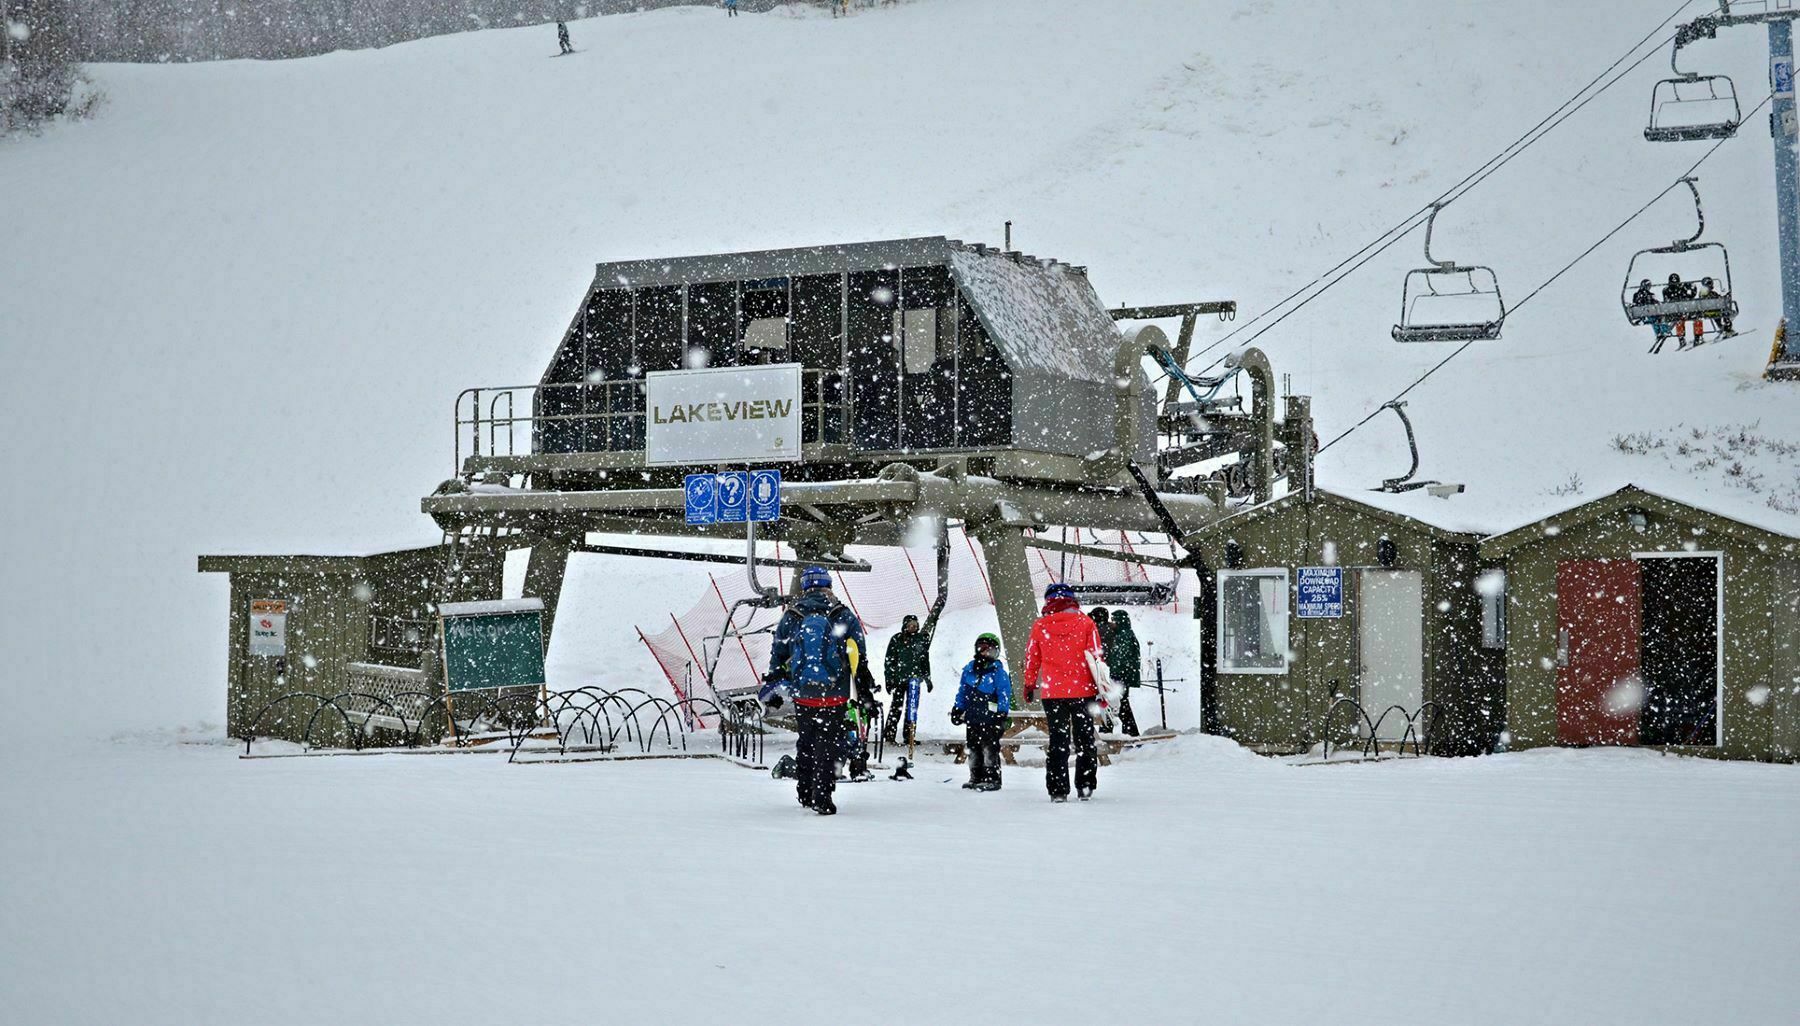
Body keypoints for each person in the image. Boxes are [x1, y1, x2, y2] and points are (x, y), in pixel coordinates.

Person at [760, 566, 867, 815]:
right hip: (835, 694)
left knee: (806, 742)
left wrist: (774, 684)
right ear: (828, 586)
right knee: (829, 745)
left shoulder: (792, 615)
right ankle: (823, 795)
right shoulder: (842, 614)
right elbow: (858, 655)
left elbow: (778, 654)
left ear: (805, 587)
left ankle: (805, 791)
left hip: (804, 694)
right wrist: (862, 689)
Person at [1021, 582, 1104, 802]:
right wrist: (1101, 688)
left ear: (1048, 601)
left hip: (1054, 693)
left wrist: (1029, 684)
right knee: (1085, 740)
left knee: (1058, 741)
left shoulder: (1040, 626)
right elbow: (1097, 657)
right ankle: (1085, 786)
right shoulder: (1086, 623)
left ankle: (1058, 790)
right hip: (1083, 691)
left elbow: (1032, 658)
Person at [951, 633, 1012, 791]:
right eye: (982, 649)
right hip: (973, 716)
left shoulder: (998, 672)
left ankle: (992, 778)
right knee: (973, 748)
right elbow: (963, 692)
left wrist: (1002, 712)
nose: (985, 653)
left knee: (989, 748)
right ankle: (975, 776)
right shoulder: (969, 670)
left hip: (990, 717)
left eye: (989, 650)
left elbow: (1004, 693)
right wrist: (958, 708)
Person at [881, 613, 932, 747]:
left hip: (914, 680)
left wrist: (927, 678)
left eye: (915, 625)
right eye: (910, 625)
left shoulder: (921, 639)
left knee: (912, 709)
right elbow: (889, 661)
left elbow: (924, 661)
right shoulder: (897, 639)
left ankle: (909, 736)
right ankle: (889, 735)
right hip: (899, 680)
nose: (912, 627)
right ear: (905, 626)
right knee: (896, 708)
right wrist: (889, 679)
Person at [1105, 609, 1142, 737]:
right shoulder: (1125, 634)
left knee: (1118, 704)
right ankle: (1129, 732)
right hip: (1123, 675)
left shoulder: (1123, 636)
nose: (1112, 623)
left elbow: (1119, 659)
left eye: (1113, 620)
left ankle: (1129, 733)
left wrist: (1111, 671)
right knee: (1118, 704)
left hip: (1120, 676)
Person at [1663, 273, 1701, 348]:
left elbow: (1667, 301)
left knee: (1682, 320)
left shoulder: (1668, 290)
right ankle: (1694, 338)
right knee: (1692, 319)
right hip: (1681, 312)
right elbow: (1691, 295)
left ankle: (1685, 339)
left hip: (1680, 312)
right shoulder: (1679, 288)